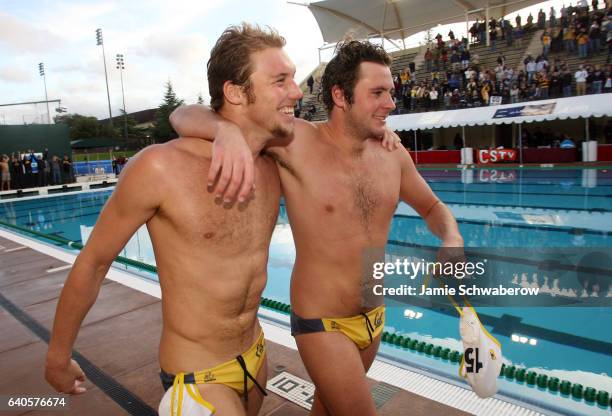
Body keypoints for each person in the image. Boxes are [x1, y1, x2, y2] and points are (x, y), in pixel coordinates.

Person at [171, 39, 464, 416]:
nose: (391, 103)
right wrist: (225, 132)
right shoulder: (295, 140)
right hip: (323, 323)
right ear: (341, 96)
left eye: (390, 92)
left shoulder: (393, 155)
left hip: (373, 317)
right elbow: (181, 116)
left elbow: (432, 206)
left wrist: (452, 236)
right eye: (377, 93)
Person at [45, 23, 303, 416]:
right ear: (235, 92)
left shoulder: (274, 160)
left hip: (256, 356)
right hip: (198, 377)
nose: (297, 92)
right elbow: (94, 263)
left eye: (294, 79)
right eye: (281, 81)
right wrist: (58, 357)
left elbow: (185, 113)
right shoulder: (160, 168)